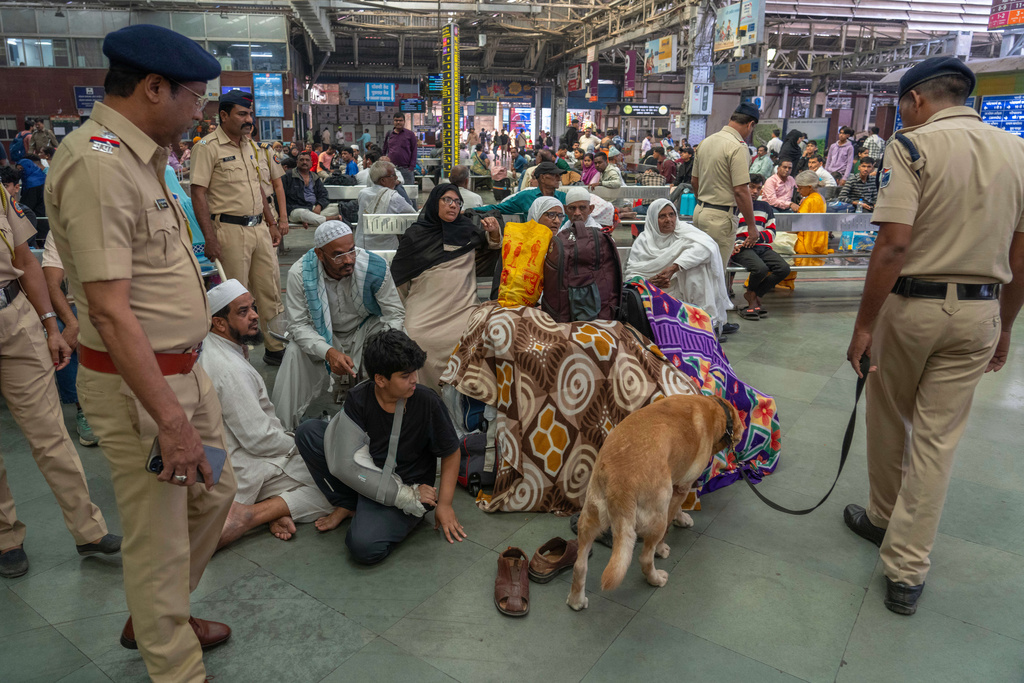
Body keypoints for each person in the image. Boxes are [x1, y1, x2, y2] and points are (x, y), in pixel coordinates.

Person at [44, 25, 235, 680]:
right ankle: (175, 663)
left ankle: (161, 614)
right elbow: (108, 310)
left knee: (216, 490)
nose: (200, 111)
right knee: (159, 536)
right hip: (142, 389)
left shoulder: (144, 158)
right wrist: (170, 419)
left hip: (185, 370)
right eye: (194, 97)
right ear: (154, 87)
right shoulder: (98, 165)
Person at [843, 58, 1024, 616]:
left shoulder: (912, 146)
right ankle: (907, 570)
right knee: (937, 441)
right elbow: (1022, 253)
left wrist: (865, 324)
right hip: (981, 312)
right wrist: (1006, 326)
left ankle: (881, 518)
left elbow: (894, 245)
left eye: (900, 103)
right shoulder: (1017, 152)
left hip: (912, 308)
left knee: (890, 416)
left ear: (916, 100)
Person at [0, 181, 120, 581]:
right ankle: (6, 537)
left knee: (51, 434)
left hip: (14, 317)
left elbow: (27, 261)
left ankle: (89, 531)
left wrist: (51, 325)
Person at [294, 329, 465, 561]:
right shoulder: (359, 398)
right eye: (405, 376)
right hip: (368, 474)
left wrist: (444, 504)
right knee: (308, 432)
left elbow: (451, 452)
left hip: (410, 487)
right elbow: (346, 462)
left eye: (414, 372)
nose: (414, 379)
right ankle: (350, 504)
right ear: (380, 380)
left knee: (364, 547)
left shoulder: (427, 402)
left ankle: (373, 508)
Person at [197, 280, 333, 547]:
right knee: (335, 486)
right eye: (243, 311)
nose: (255, 315)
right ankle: (250, 515)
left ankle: (275, 508)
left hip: (232, 453)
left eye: (253, 308)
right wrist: (299, 445)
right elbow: (259, 439)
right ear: (219, 323)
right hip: (240, 463)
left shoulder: (215, 347)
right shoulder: (228, 368)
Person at [272, 221, 405, 429]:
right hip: (322, 334)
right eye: (338, 255)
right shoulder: (299, 274)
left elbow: (394, 312)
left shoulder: (374, 267)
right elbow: (298, 325)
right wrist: (328, 352)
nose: (348, 260)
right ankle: (283, 430)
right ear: (320, 254)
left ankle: (396, 418)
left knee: (399, 342)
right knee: (294, 352)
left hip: (366, 329)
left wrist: (388, 346)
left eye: (351, 251)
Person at [190, 89, 285, 367]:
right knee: (237, 298)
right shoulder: (207, 148)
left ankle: (275, 346)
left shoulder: (250, 146)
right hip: (229, 232)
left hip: (259, 230)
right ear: (224, 115)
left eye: (250, 114)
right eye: (242, 114)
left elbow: (258, 187)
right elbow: (198, 194)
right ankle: (235, 353)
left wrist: (271, 222)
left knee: (270, 290)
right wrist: (209, 236)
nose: (249, 119)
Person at [391, 184, 501, 389]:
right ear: (434, 202)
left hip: (462, 305)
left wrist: (494, 232)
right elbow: (399, 278)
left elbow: (492, 248)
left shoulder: (468, 231)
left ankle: (461, 403)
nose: (453, 206)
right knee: (414, 336)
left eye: (457, 202)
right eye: (447, 200)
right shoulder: (415, 235)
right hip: (424, 304)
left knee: (474, 335)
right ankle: (425, 398)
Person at [690, 101, 758, 329]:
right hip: (720, 218)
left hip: (700, 212)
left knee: (702, 270)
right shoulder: (738, 146)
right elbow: (741, 190)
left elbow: (694, 182)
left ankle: (712, 319)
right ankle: (711, 325)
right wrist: (751, 226)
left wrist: (706, 203)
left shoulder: (706, 142)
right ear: (750, 125)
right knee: (716, 273)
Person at [626, 198, 731, 333]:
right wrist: (649, 283)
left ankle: (702, 321)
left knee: (697, 267)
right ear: (652, 219)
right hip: (654, 290)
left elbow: (707, 247)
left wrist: (675, 267)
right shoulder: (643, 242)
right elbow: (632, 275)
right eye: (662, 216)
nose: (668, 220)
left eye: (672, 214)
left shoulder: (685, 231)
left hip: (683, 288)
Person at [40, 232, 98, 446]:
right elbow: (51, 284)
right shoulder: (60, 229)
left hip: (116, 303)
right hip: (77, 305)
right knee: (61, 329)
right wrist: (74, 323)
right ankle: (84, 409)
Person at [731, 174, 791, 319]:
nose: (755, 191)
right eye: (751, 187)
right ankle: (753, 298)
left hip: (761, 247)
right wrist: (734, 245)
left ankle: (754, 294)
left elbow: (771, 232)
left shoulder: (765, 207)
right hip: (741, 248)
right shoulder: (734, 206)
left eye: (759, 188)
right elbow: (728, 231)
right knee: (760, 269)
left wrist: (756, 237)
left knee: (783, 269)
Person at [357, 159, 417, 250]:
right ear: (383, 180)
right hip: (385, 248)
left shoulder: (362, 193)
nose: (396, 178)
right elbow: (413, 216)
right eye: (393, 175)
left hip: (362, 245)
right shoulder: (394, 197)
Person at [476, 161, 567, 216]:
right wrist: (470, 210)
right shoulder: (526, 197)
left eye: (559, 175)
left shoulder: (565, 198)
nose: (559, 178)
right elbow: (498, 208)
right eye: (555, 175)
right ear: (542, 178)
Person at [283, 150, 335, 227]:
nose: (304, 162)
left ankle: (310, 220)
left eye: (307, 160)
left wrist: (319, 206)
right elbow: (280, 197)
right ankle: (326, 220)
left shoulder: (315, 177)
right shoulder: (288, 176)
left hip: (313, 209)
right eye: (302, 160)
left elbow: (324, 194)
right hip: (295, 210)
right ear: (297, 162)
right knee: (302, 213)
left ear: (311, 163)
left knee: (338, 207)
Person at [383, 113, 418, 185]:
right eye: (396, 120)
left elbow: (414, 151)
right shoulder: (389, 134)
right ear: (393, 122)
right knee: (392, 192)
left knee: (408, 192)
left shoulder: (410, 134)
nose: (398, 122)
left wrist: (411, 167)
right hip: (392, 169)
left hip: (406, 169)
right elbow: (384, 150)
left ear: (404, 122)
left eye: (400, 120)